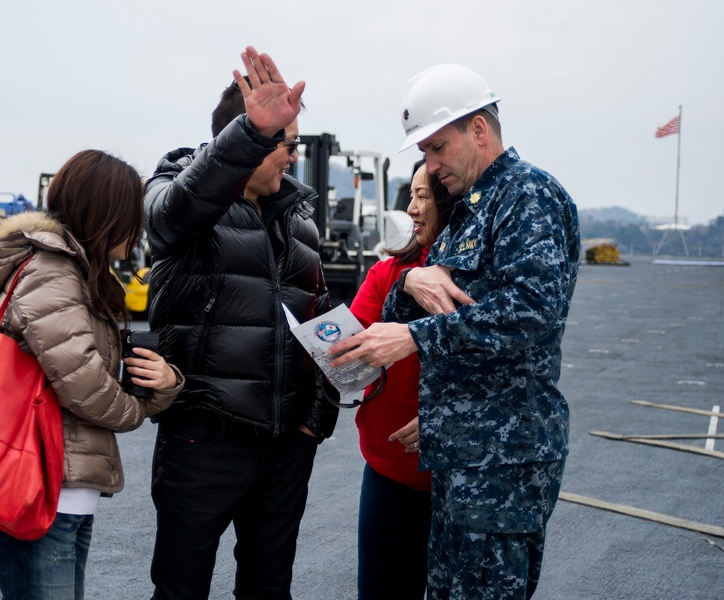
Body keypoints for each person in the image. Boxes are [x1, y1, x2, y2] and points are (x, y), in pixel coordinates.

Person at [330, 64, 580, 599]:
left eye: (438, 147)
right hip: (459, 462)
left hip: (501, 465)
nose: (430, 164)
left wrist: (415, 338)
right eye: (424, 151)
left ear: (480, 130)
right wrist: (412, 280)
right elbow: (427, 299)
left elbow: (533, 310)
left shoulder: (526, 196)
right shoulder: (471, 210)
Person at [144, 46, 338, 600]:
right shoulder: (177, 184)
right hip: (203, 439)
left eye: (295, 142)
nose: (292, 158)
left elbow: (319, 320)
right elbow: (175, 213)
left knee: (270, 590)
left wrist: (314, 422)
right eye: (283, 142)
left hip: (285, 447)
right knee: (181, 590)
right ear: (241, 135)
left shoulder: (300, 221)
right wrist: (252, 132)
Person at [0, 149, 184, 600]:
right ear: (104, 213)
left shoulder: (73, 271)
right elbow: (84, 386)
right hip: (40, 493)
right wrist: (146, 405)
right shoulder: (53, 272)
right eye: (132, 215)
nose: (139, 228)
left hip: (59, 491)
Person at [351, 160, 459, 600]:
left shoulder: (475, 274)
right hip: (388, 476)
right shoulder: (385, 273)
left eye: (424, 196)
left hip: (457, 479)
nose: (412, 209)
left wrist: (443, 416)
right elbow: (348, 356)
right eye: (410, 196)